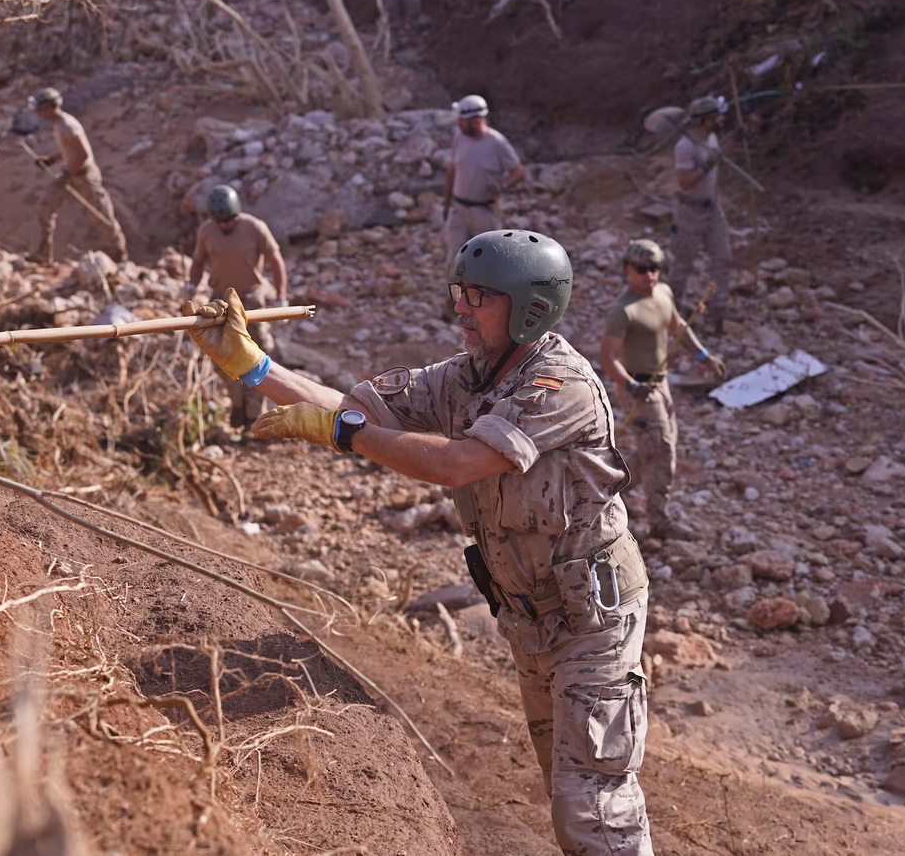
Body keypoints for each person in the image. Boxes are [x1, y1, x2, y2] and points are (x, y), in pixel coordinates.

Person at [183, 229, 654, 855]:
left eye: (479, 296)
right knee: (568, 786)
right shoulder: (469, 375)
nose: (461, 308)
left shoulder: (558, 385)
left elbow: (455, 464)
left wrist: (345, 434)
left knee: (591, 808)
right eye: (460, 292)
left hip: (592, 621)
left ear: (530, 308)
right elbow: (356, 406)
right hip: (534, 619)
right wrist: (254, 366)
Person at [599, 239, 726, 541]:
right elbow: (607, 358)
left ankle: (609, 492)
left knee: (653, 448)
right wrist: (630, 385)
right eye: (642, 269)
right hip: (638, 386)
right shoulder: (623, 310)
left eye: (655, 268)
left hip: (661, 381)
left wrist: (703, 356)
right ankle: (659, 520)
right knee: (662, 451)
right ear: (628, 270)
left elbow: (677, 326)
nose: (650, 275)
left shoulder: (664, 292)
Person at [189, 184, 288, 429]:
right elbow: (198, 262)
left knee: (259, 354)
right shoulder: (207, 231)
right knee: (221, 354)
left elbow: (275, 260)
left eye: (229, 221)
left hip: (250, 299)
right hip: (220, 301)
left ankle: (255, 415)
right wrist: (191, 286)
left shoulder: (254, 228)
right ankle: (238, 405)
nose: (225, 226)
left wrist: (281, 298)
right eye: (220, 222)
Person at [29, 88, 128, 265]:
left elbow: (82, 154)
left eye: (39, 108)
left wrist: (70, 173)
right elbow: (70, 150)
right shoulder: (58, 124)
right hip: (71, 172)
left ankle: (118, 253)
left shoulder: (68, 126)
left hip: (85, 175)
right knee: (44, 206)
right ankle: (44, 253)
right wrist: (51, 160)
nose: (37, 112)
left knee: (100, 214)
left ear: (49, 107)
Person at [669, 95, 732, 333]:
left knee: (723, 258)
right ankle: (672, 313)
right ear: (706, 120)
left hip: (712, 207)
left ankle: (718, 314)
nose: (722, 119)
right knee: (683, 263)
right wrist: (707, 165)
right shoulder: (685, 146)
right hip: (689, 211)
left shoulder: (711, 138)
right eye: (718, 116)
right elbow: (685, 182)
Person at [441, 95, 525, 268]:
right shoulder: (460, 137)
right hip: (459, 210)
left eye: (462, 121)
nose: (458, 124)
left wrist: (502, 185)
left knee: (486, 264)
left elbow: (518, 171)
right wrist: (447, 203)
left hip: (484, 212)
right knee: (456, 262)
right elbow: (452, 169)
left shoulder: (497, 143)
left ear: (476, 121)